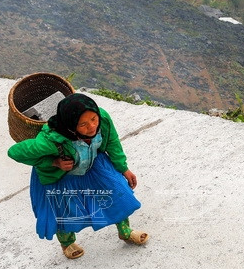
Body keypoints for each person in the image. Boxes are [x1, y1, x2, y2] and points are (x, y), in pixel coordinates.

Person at [8, 93, 148, 259]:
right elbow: (14, 152)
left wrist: (124, 169)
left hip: (94, 166)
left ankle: (125, 231)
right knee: (66, 212)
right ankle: (67, 243)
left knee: (118, 194)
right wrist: (54, 162)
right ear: (71, 126)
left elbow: (112, 142)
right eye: (83, 124)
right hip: (64, 176)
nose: (91, 127)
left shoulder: (102, 118)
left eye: (93, 119)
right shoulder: (51, 140)